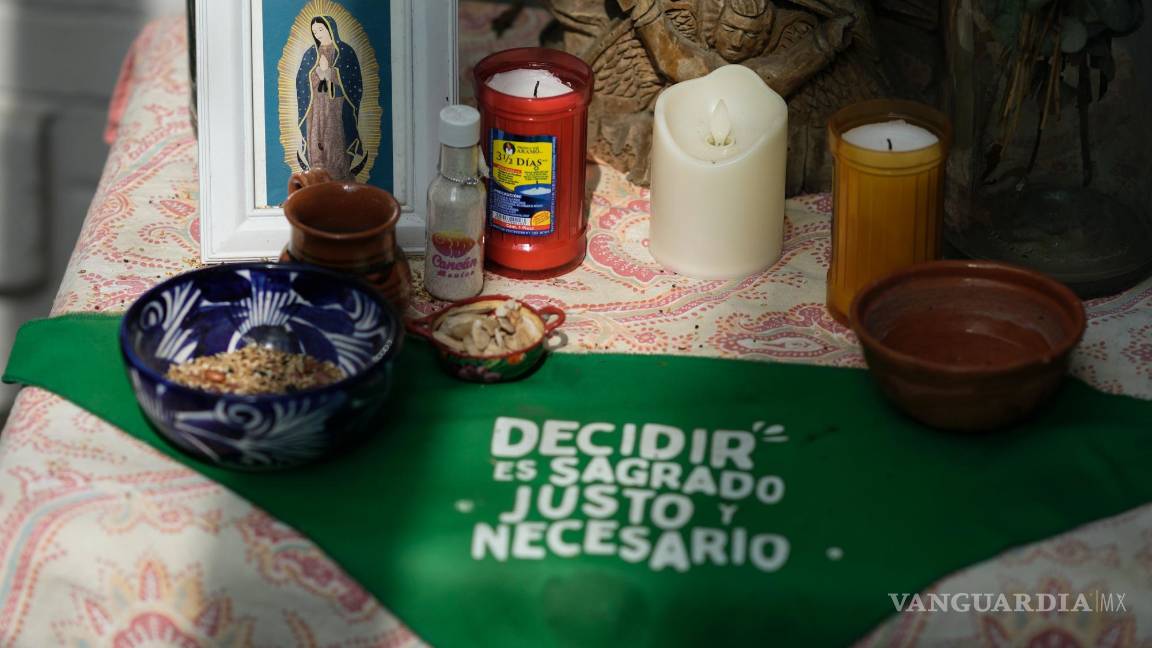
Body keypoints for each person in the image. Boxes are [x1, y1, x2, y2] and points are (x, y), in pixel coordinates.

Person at [295, 16, 366, 182]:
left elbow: (353, 80)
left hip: (337, 105)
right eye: (314, 32)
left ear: (330, 29)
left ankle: (338, 175)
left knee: (334, 137)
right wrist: (317, 74)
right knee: (316, 136)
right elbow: (301, 80)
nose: (318, 34)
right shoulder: (311, 53)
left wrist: (330, 73)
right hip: (315, 107)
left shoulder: (345, 52)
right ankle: (317, 175)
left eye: (321, 29)